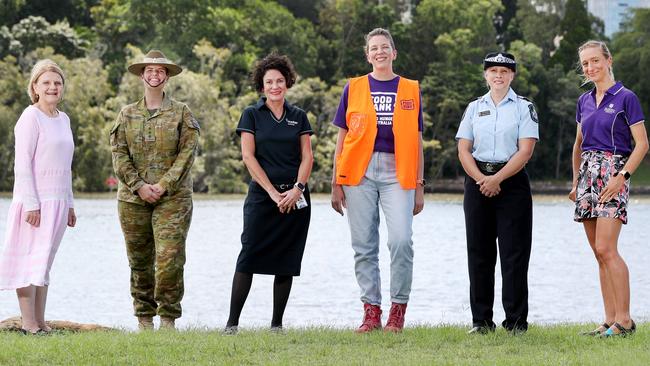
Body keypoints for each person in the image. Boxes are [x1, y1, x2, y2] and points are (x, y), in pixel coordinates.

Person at [330, 28, 425, 333]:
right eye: (374, 48)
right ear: (367, 54)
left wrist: (420, 185)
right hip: (358, 171)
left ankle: (398, 310)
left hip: (399, 171)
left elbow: (418, 140)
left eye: (385, 47)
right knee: (364, 245)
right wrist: (336, 181)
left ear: (394, 53)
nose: (380, 52)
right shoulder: (354, 87)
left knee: (400, 241)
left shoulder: (411, 89)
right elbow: (342, 137)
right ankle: (371, 312)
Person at [110, 50, 200, 330]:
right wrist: (139, 187)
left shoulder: (181, 113)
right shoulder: (126, 114)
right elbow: (118, 154)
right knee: (139, 260)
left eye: (160, 70)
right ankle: (144, 319)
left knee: (170, 257)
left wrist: (162, 186)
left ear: (167, 76)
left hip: (173, 199)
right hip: (132, 200)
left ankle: (169, 319)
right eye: (149, 70)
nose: (154, 74)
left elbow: (187, 154)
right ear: (141, 74)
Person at [224, 53, 313, 334]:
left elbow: (307, 158)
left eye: (280, 81)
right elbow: (249, 158)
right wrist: (274, 194)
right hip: (263, 198)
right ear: (262, 87)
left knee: (286, 260)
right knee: (248, 255)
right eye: (269, 82)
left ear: (287, 83)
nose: (275, 86)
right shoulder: (251, 114)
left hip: (296, 198)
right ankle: (231, 324)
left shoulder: (298, 116)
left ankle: (277, 325)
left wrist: (297, 190)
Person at [455, 52, 538, 335]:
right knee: (479, 252)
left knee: (514, 254)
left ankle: (515, 322)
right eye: (493, 71)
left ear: (512, 75)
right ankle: (481, 322)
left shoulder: (524, 108)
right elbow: (463, 149)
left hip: (512, 183)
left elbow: (525, 151)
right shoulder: (473, 108)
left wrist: (497, 179)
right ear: (486, 75)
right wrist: (481, 179)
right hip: (477, 182)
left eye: (504, 71)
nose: (499, 76)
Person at [569, 40, 647, 337]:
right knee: (597, 252)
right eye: (585, 63)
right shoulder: (584, 101)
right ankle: (609, 319)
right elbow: (578, 144)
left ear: (608, 60)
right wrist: (576, 181)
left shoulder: (627, 97)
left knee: (607, 248)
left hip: (614, 174)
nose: (590, 67)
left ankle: (625, 320)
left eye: (594, 61)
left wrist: (622, 176)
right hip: (588, 175)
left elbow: (642, 144)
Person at [0, 59, 76, 335]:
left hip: (57, 203)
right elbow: (21, 165)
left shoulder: (64, 119)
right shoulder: (30, 117)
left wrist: (69, 204)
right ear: (35, 87)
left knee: (43, 262)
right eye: (46, 82)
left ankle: (42, 322)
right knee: (27, 262)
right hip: (34, 203)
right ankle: (28, 323)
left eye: (57, 83)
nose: (52, 87)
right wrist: (31, 204)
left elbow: (66, 167)